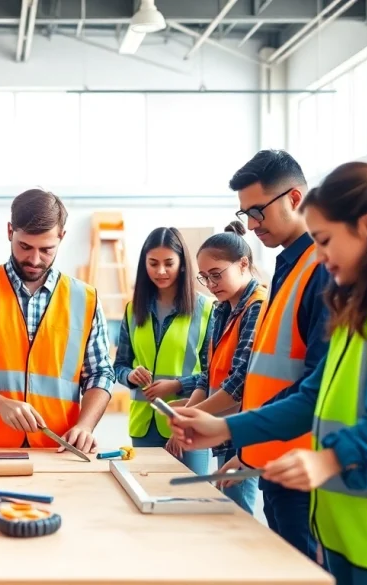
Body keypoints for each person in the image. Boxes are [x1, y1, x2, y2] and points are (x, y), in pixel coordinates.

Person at [170, 153, 367, 585]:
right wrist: (226, 430)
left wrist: (328, 458)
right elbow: (313, 395)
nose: (319, 255)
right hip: (353, 528)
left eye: (325, 240)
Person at [0, 189, 115, 451]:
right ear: (10, 231)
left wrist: (85, 426)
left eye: (46, 250)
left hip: (56, 449)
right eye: (25, 246)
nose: (34, 259)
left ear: (62, 237)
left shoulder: (85, 299)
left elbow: (100, 374)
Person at [227, 149, 330, 559]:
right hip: (274, 458)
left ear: (293, 199)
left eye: (257, 211)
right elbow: (271, 375)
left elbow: (317, 384)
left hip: (302, 465)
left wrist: (236, 432)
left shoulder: (321, 269)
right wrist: (248, 451)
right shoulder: (288, 265)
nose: (251, 226)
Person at [178, 220, 267, 514]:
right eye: (204, 277)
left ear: (243, 264)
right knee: (227, 510)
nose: (211, 284)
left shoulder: (257, 306)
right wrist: (191, 410)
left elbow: (240, 381)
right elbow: (210, 373)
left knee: (238, 514)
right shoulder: (222, 309)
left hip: (241, 428)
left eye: (216, 275)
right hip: (222, 427)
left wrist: (195, 417)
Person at [114, 227, 213, 474]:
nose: (160, 271)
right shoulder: (132, 310)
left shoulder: (207, 310)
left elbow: (214, 373)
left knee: (191, 501)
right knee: (146, 499)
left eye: (168, 263)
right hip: (144, 426)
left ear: (181, 264)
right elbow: (119, 365)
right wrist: (129, 375)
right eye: (153, 263)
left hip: (189, 423)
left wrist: (177, 385)